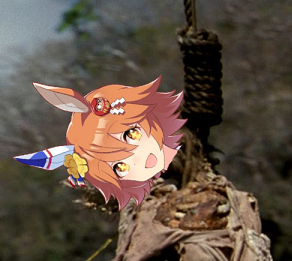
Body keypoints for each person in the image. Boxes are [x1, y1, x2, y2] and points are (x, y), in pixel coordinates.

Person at [13, 76, 185, 210]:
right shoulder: (144, 202)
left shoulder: (185, 138)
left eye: (132, 134)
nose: (141, 159)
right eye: (120, 167)